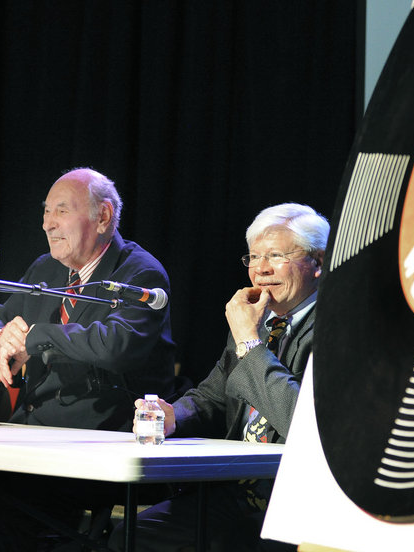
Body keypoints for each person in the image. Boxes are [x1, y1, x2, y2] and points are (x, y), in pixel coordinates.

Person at [0, 167, 176, 550]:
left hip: (99, 440)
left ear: (103, 216)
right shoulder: (46, 268)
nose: (47, 224)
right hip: (34, 435)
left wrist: (34, 337)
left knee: (6, 513)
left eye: (61, 210)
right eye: (45, 212)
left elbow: (115, 344)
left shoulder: (140, 272)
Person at [109, 203, 329, 552]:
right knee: (132, 536)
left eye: (275, 255)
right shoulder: (257, 321)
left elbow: (300, 421)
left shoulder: (337, 327)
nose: (261, 270)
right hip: (235, 489)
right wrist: (173, 416)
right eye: (254, 257)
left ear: (317, 262)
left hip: (293, 497)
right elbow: (213, 396)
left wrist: (249, 342)